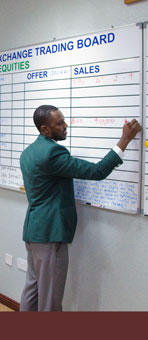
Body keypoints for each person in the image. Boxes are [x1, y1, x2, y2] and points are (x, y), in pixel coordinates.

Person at [19, 104, 141, 311]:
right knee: (50, 300)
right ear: (44, 129)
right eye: (59, 123)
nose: (65, 126)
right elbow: (97, 171)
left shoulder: (28, 152)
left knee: (32, 291)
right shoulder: (52, 153)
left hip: (34, 232)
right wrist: (125, 140)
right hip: (50, 235)